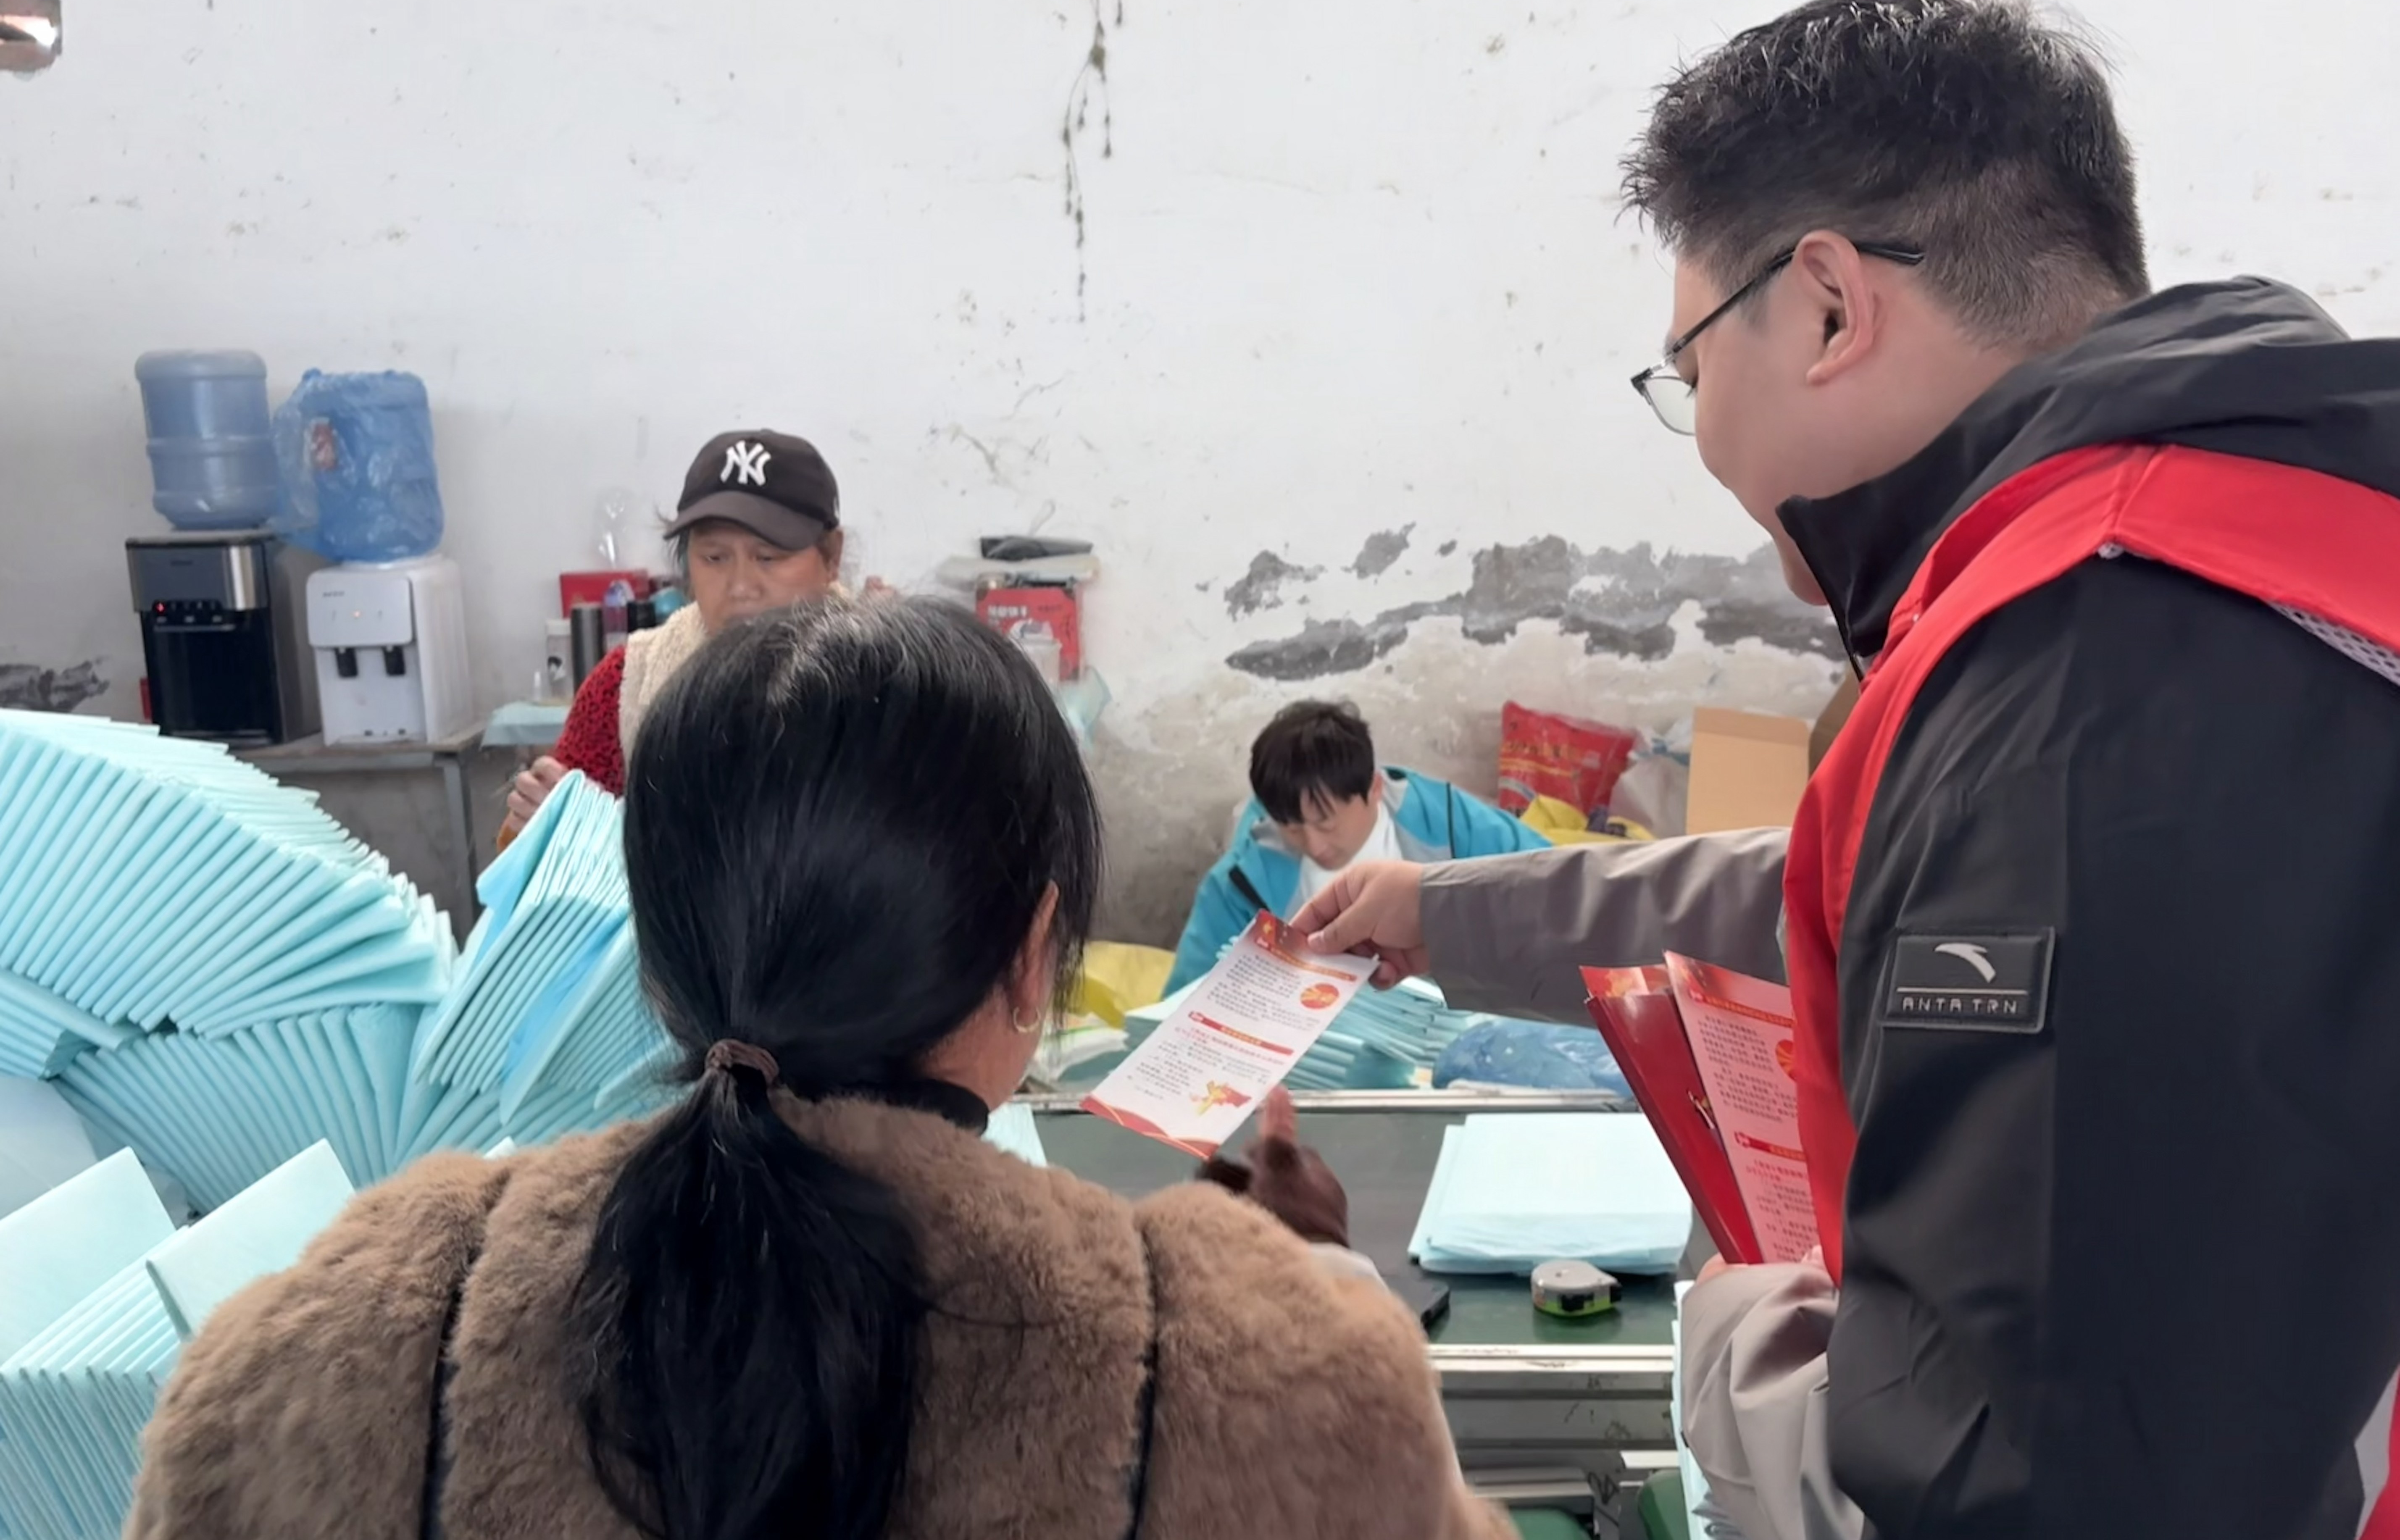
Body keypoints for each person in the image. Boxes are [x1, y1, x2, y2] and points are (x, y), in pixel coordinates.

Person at [1298, 0, 2400, 1540]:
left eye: (1689, 369)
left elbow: (2034, 1487)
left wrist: (1733, 1338)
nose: (1698, 431)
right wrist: (1454, 914)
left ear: (1824, 306)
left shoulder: (2081, 684)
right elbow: (1878, 872)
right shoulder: (2241, 551)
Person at [131, 597, 1513, 1540]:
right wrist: (1318, 1288)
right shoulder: (1251, 1374)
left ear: (663, 956)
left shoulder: (340, 1354)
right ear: (1034, 954)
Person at [500, 428, 846, 842]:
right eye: (714, 557)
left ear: (832, 558)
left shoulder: (886, 678)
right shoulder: (629, 684)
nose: (741, 586)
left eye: (768, 557)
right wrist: (545, 827)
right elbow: (540, 846)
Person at [1164, 699, 1549, 993]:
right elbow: (1184, 1001)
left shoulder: (1448, 824)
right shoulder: (1241, 885)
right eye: (1292, 829)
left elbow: (1552, 886)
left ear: (1375, 789)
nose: (1315, 845)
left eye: (1326, 823)